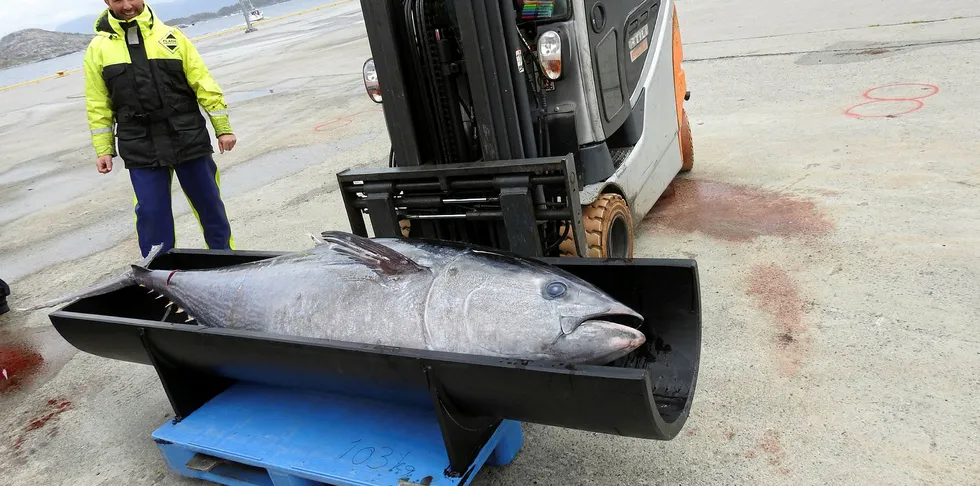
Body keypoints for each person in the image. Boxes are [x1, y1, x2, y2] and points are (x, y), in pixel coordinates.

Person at [84, 0, 237, 258]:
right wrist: (104, 149)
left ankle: (227, 263)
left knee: (210, 207)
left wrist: (223, 128)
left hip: (187, 135)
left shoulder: (172, 37)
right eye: (118, 0)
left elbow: (203, 81)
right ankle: (159, 278)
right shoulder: (98, 49)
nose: (127, 5)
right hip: (139, 144)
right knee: (151, 216)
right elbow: (98, 103)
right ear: (107, 2)